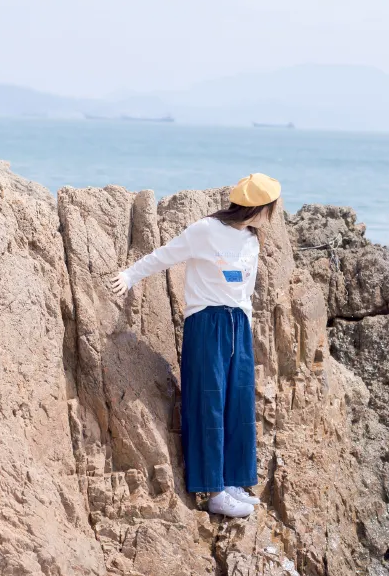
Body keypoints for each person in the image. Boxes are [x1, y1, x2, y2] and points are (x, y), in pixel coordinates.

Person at [107, 173, 281, 518]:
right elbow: (165, 255)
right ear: (260, 206)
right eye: (273, 207)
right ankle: (213, 489)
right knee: (209, 402)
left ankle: (233, 481)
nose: (274, 214)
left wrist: (244, 324)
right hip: (206, 322)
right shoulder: (205, 230)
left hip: (238, 324)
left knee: (239, 402)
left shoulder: (252, 239)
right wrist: (129, 276)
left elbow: (245, 288)